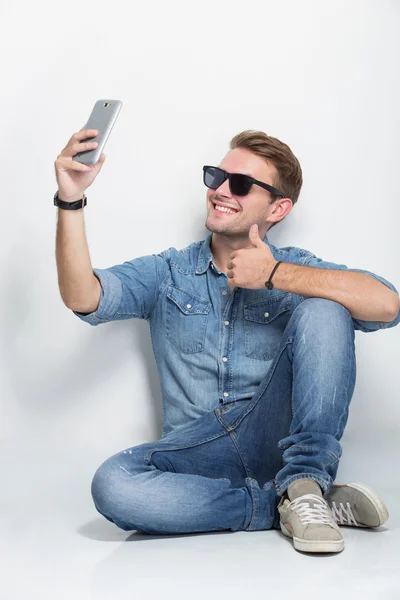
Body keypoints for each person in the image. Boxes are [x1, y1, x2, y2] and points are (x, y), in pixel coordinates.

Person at [54, 128, 400, 553]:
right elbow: (82, 296)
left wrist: (274, 275)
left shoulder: (296, 269)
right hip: (199, 455)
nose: (220, 190)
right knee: (112, 484)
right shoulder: (169, 272)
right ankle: (287, 503)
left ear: (278, 208)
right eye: (216, 176)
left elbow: (387, 304)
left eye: (240, 184)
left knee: (326, 305)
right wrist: (70, 199)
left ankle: (304, 479)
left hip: (272, 437)